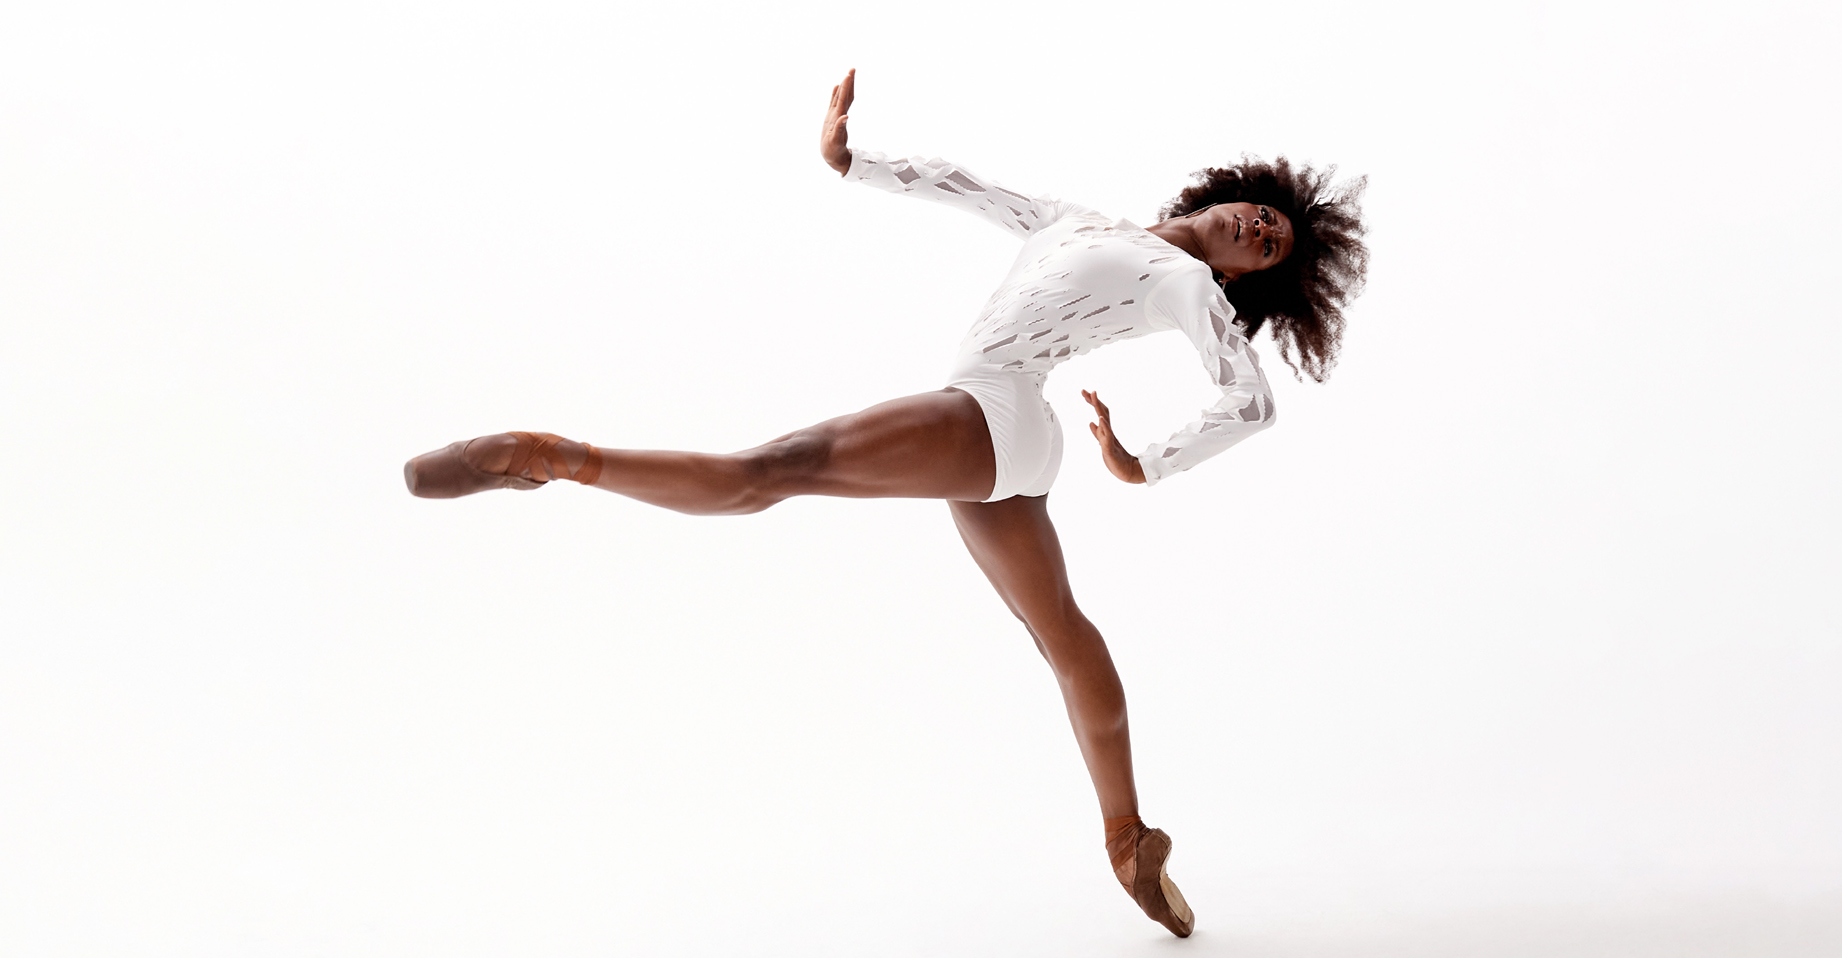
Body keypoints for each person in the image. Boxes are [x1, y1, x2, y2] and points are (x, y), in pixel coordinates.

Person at [403, 69, 1368, 937]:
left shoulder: (1186, 284)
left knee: (772, 469)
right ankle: (1127, 838)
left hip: (990, 412)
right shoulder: (1084, 219)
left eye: (1269, 247)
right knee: (1065, 639)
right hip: (1013, 433)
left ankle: (556, 456)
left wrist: (1146, 463)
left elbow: (1252, 400)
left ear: (1247, 280)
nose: (1257, 230)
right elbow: (974, 190)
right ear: (1229, 193)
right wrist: (855, 161)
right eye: (1260, 213)